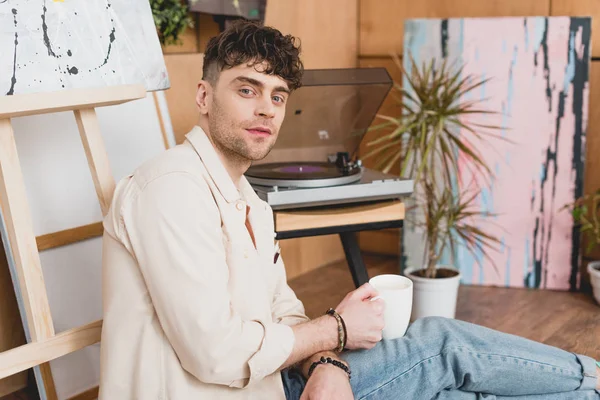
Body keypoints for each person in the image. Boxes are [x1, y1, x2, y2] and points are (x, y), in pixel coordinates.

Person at [98, 20, 600, 400]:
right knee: (442, 344)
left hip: (276, 384)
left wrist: (325, 363)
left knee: (455, 392)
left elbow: (284, 311)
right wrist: (336, 330)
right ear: (204, 96)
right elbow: (215, 353)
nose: (266, 109)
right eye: (247, 89)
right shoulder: (171, 188)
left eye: (278, 96)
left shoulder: (248, 199)